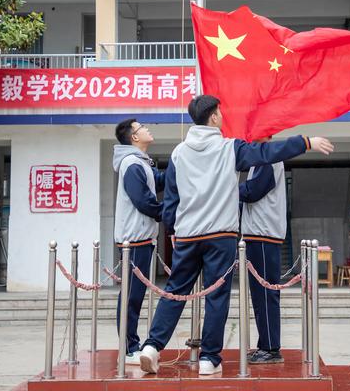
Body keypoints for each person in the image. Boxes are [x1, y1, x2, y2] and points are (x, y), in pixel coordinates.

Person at [139, 95, 334, 375]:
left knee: (175, 292)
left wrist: (171, 231)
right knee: (217, 296)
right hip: (221, 236)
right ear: (215, 117)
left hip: (187, 235)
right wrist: (306, 142)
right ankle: (209, 359)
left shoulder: (179, 153)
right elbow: (266, 153)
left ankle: (152, 346)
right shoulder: (229, 148)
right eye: (220, 112)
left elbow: (171, 200)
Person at [113, 118, 165, 364]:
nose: (147, 128)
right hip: (133, 241)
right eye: (142, 127)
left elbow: (160, 180)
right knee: (131, 297)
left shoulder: (142, 163)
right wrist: (168, 211)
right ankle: (129, 347)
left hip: (142, 239)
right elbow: (144, 201)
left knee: (135, 295)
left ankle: (130, 344)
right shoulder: (132, 164)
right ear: (134, 137)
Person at [239, 136, 286, 365]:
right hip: (259, 233)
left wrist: (223, 188)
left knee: (265, 294)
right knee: (261, 295)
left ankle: (270, 348)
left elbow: (252, 191)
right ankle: (266, 344)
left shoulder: (267, 158)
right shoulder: (261, 159)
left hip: (263, 234)